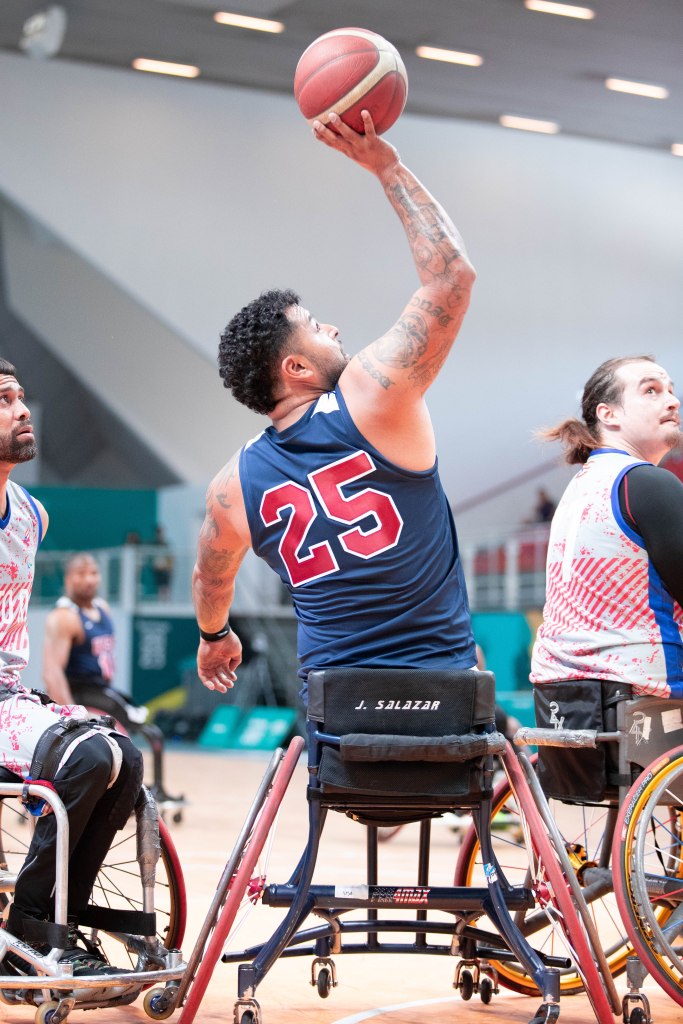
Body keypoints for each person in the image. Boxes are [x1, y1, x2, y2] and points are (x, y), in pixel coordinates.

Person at [192, 110, 478, 697]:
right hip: (441, 687)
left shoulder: (232, 486)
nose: (335, 329)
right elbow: (452, 278)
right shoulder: (371, 395)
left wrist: (214, 635)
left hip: (336, 707)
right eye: (318, 329)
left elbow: (210, 575)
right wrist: (387, 167)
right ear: (295, 369)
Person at [0, 358, 141, 975]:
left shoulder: (32, 515)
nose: (23, 409)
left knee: (124, 756)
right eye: (3, 400)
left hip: (9, 696)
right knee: (86, 756)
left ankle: (62, 918)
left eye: (22, 396)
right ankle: (28, 931)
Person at [530, 355, 683, 798]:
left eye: (671, 389)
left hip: (563, 697)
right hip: (638, 700)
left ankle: (612, 866)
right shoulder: (648, 483)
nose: (671, 400)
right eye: (651, 390)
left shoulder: (582, 485)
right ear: (607, 414)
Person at [42, 553, 183, 807]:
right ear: (68, 579)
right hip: (78, 690)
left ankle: (146, 789)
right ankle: (120, 795)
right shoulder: (64, 617)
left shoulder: (102, 608)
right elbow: (52, 672)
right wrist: (71, 712)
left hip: (100, 687)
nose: (88, 579)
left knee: (146, 728)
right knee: (131, 734)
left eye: (93, 573)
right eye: (81, 574)